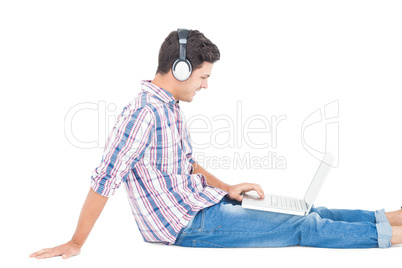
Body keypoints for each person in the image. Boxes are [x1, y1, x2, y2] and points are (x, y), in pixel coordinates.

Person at [30, 29, 402, 259]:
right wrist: (75, 241)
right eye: (203, 76)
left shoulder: (168, 105)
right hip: (188, 226)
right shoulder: (143, 112)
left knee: (305, 209)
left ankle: (390, 218)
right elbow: (105, 178)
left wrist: (226, 188)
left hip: (201, 205)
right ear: (179, 70)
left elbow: (187, 164)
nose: (205, 85)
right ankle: (393, 236)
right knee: (303, 226)